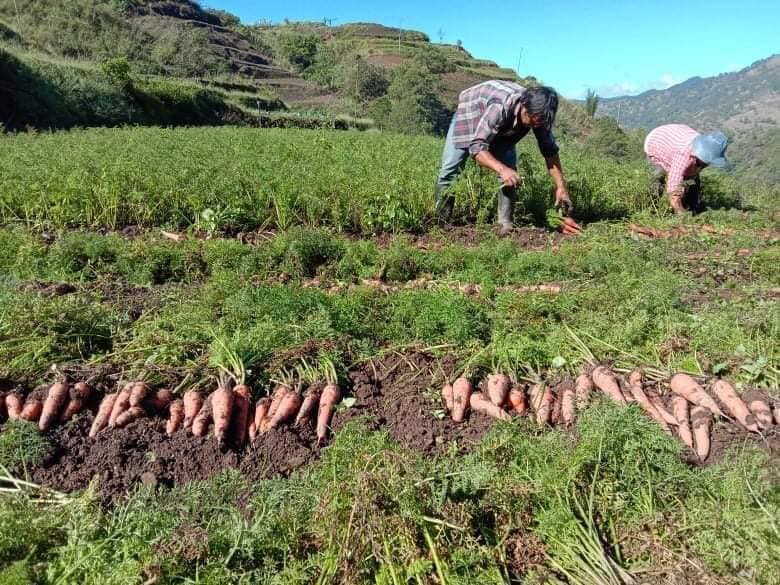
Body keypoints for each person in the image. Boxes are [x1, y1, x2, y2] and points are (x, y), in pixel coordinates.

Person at [434, 81, 572, 234]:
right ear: (524, 104)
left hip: (503, 126)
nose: (533, 125)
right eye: (530, 118)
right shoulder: (500, 107)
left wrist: (560, 187)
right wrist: (502, 169)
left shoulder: (539, 117)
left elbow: (550, 151)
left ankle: (505, 223)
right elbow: (477, 148)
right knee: (450, 170)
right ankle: (441, 223)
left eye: (537, 122)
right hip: (471, 112)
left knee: (510, 173)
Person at [643, 124, 730, 214]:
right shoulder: (683, 155)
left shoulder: (704, 148)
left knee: (693, 182)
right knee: (657, 180)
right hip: (657, 143)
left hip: (677, 138)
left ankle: (692, 209)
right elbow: (674, 187)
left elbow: (692, 175)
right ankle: (648, 211)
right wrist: (679, 211)